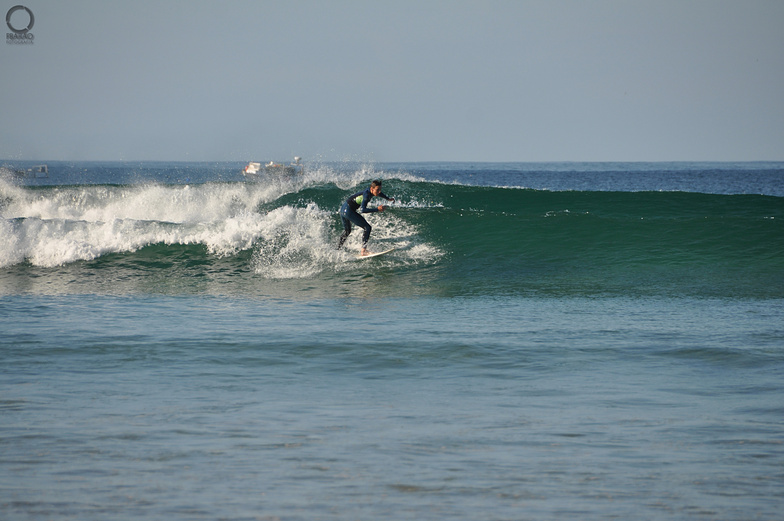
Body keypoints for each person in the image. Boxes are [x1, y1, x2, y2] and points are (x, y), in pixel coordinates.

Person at [337, 180, 395, 256]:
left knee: (347, 231)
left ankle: (338, 248)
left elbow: (379, 193)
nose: (379, 191)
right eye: (378, 190)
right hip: (348, 211)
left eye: (380, 189)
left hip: (343, 209)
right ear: (372, 189)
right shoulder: (366, 196)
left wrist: (387, 198)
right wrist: (377, 209)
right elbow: (363, 210)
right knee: (367, 227)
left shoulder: (371, 190)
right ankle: (363, 251)